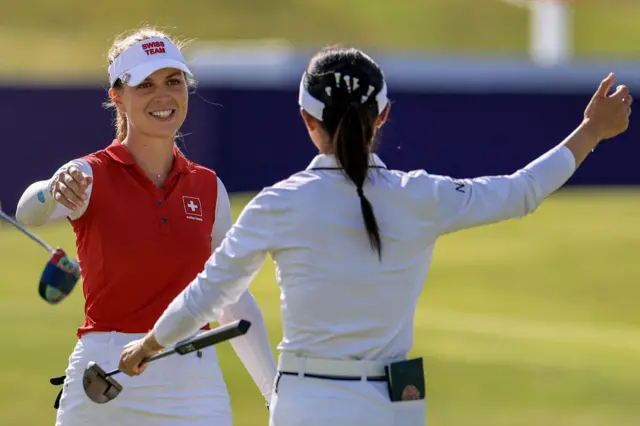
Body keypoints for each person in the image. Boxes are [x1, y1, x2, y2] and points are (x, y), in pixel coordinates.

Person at [117, 47, 632, 426]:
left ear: (306, 120)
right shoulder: (421, 195)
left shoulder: (278, 203)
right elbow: (523, 191)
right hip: (396, 407)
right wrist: (590, 130)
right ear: (382, 116)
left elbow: (211, 292)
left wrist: (148, 344)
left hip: (307, 404)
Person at [15, 27, 276, 426]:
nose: (163, 96)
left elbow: (230, 296)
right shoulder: (88, 173)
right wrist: (52, 189)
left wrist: (274, 392)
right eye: (145, 84)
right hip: (106, 379)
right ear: (117, 95)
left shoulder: (208, 187)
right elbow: (27, 213)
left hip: (195, 382)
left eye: (174, 81)